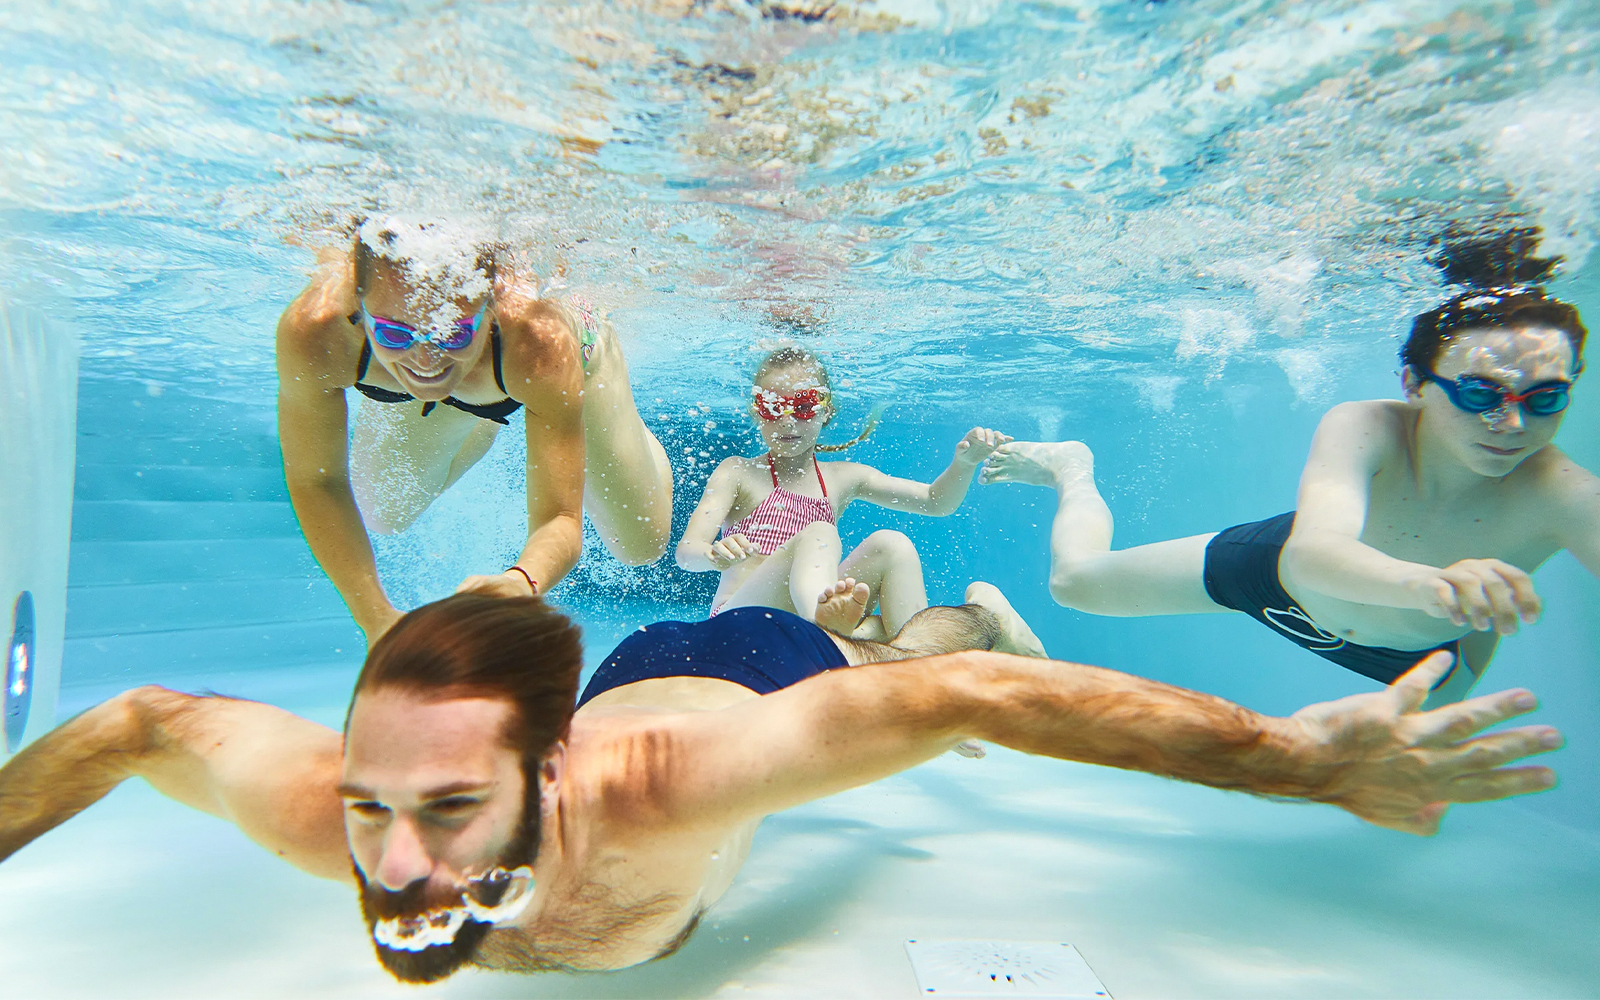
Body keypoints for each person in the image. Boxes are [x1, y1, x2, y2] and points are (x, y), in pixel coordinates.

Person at [0, 591, 1560, 983]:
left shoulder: (674, 784)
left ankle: (932, 592)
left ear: (551, 779)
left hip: (760, 673)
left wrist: (1303, 760)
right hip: (616, 668)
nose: (393, 866)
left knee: (906, 654)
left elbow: (973, 703)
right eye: (369, 808)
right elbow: (141, 720)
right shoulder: (339, 803)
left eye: (450, 813)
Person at [982, 229, 1598, 704]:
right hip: (1281, 578)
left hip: (1420, 657)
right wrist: (1432, 585)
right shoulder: (1369, 426)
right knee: (1076, 585)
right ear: (1414, 382)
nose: (1513, 425)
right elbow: (1310, 555)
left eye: (1545, 398)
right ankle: (1072, 469)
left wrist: (1448, 607)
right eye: (1479, 394)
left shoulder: (1565, 494)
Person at [276, 217, 673, 645]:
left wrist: (523, 581)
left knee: (640, 545)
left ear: (491, 306)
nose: (426, 362)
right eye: (393, 333)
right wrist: (375, 619)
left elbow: (559, 516)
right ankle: (479, 410)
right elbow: (317, 480)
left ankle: (605, 425)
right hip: (482, 375)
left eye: (453, 333)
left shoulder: (536, 343)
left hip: (564, 363)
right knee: (385, 513)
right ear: (360, 311)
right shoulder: (317, 332)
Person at [677, 346, 1013, 639]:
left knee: (893, 546)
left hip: (800, 621)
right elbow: (686, 552)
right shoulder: (739, 472)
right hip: (740, 620)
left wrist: (964, 464)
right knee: (820, 533)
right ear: (757, 412)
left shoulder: (843, 479)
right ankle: (827, 632)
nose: (788, 421)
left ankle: (916, 655)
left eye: (804, 406)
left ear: (827, 411)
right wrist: (712, 555)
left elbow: (935, 502)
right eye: (773, 406)